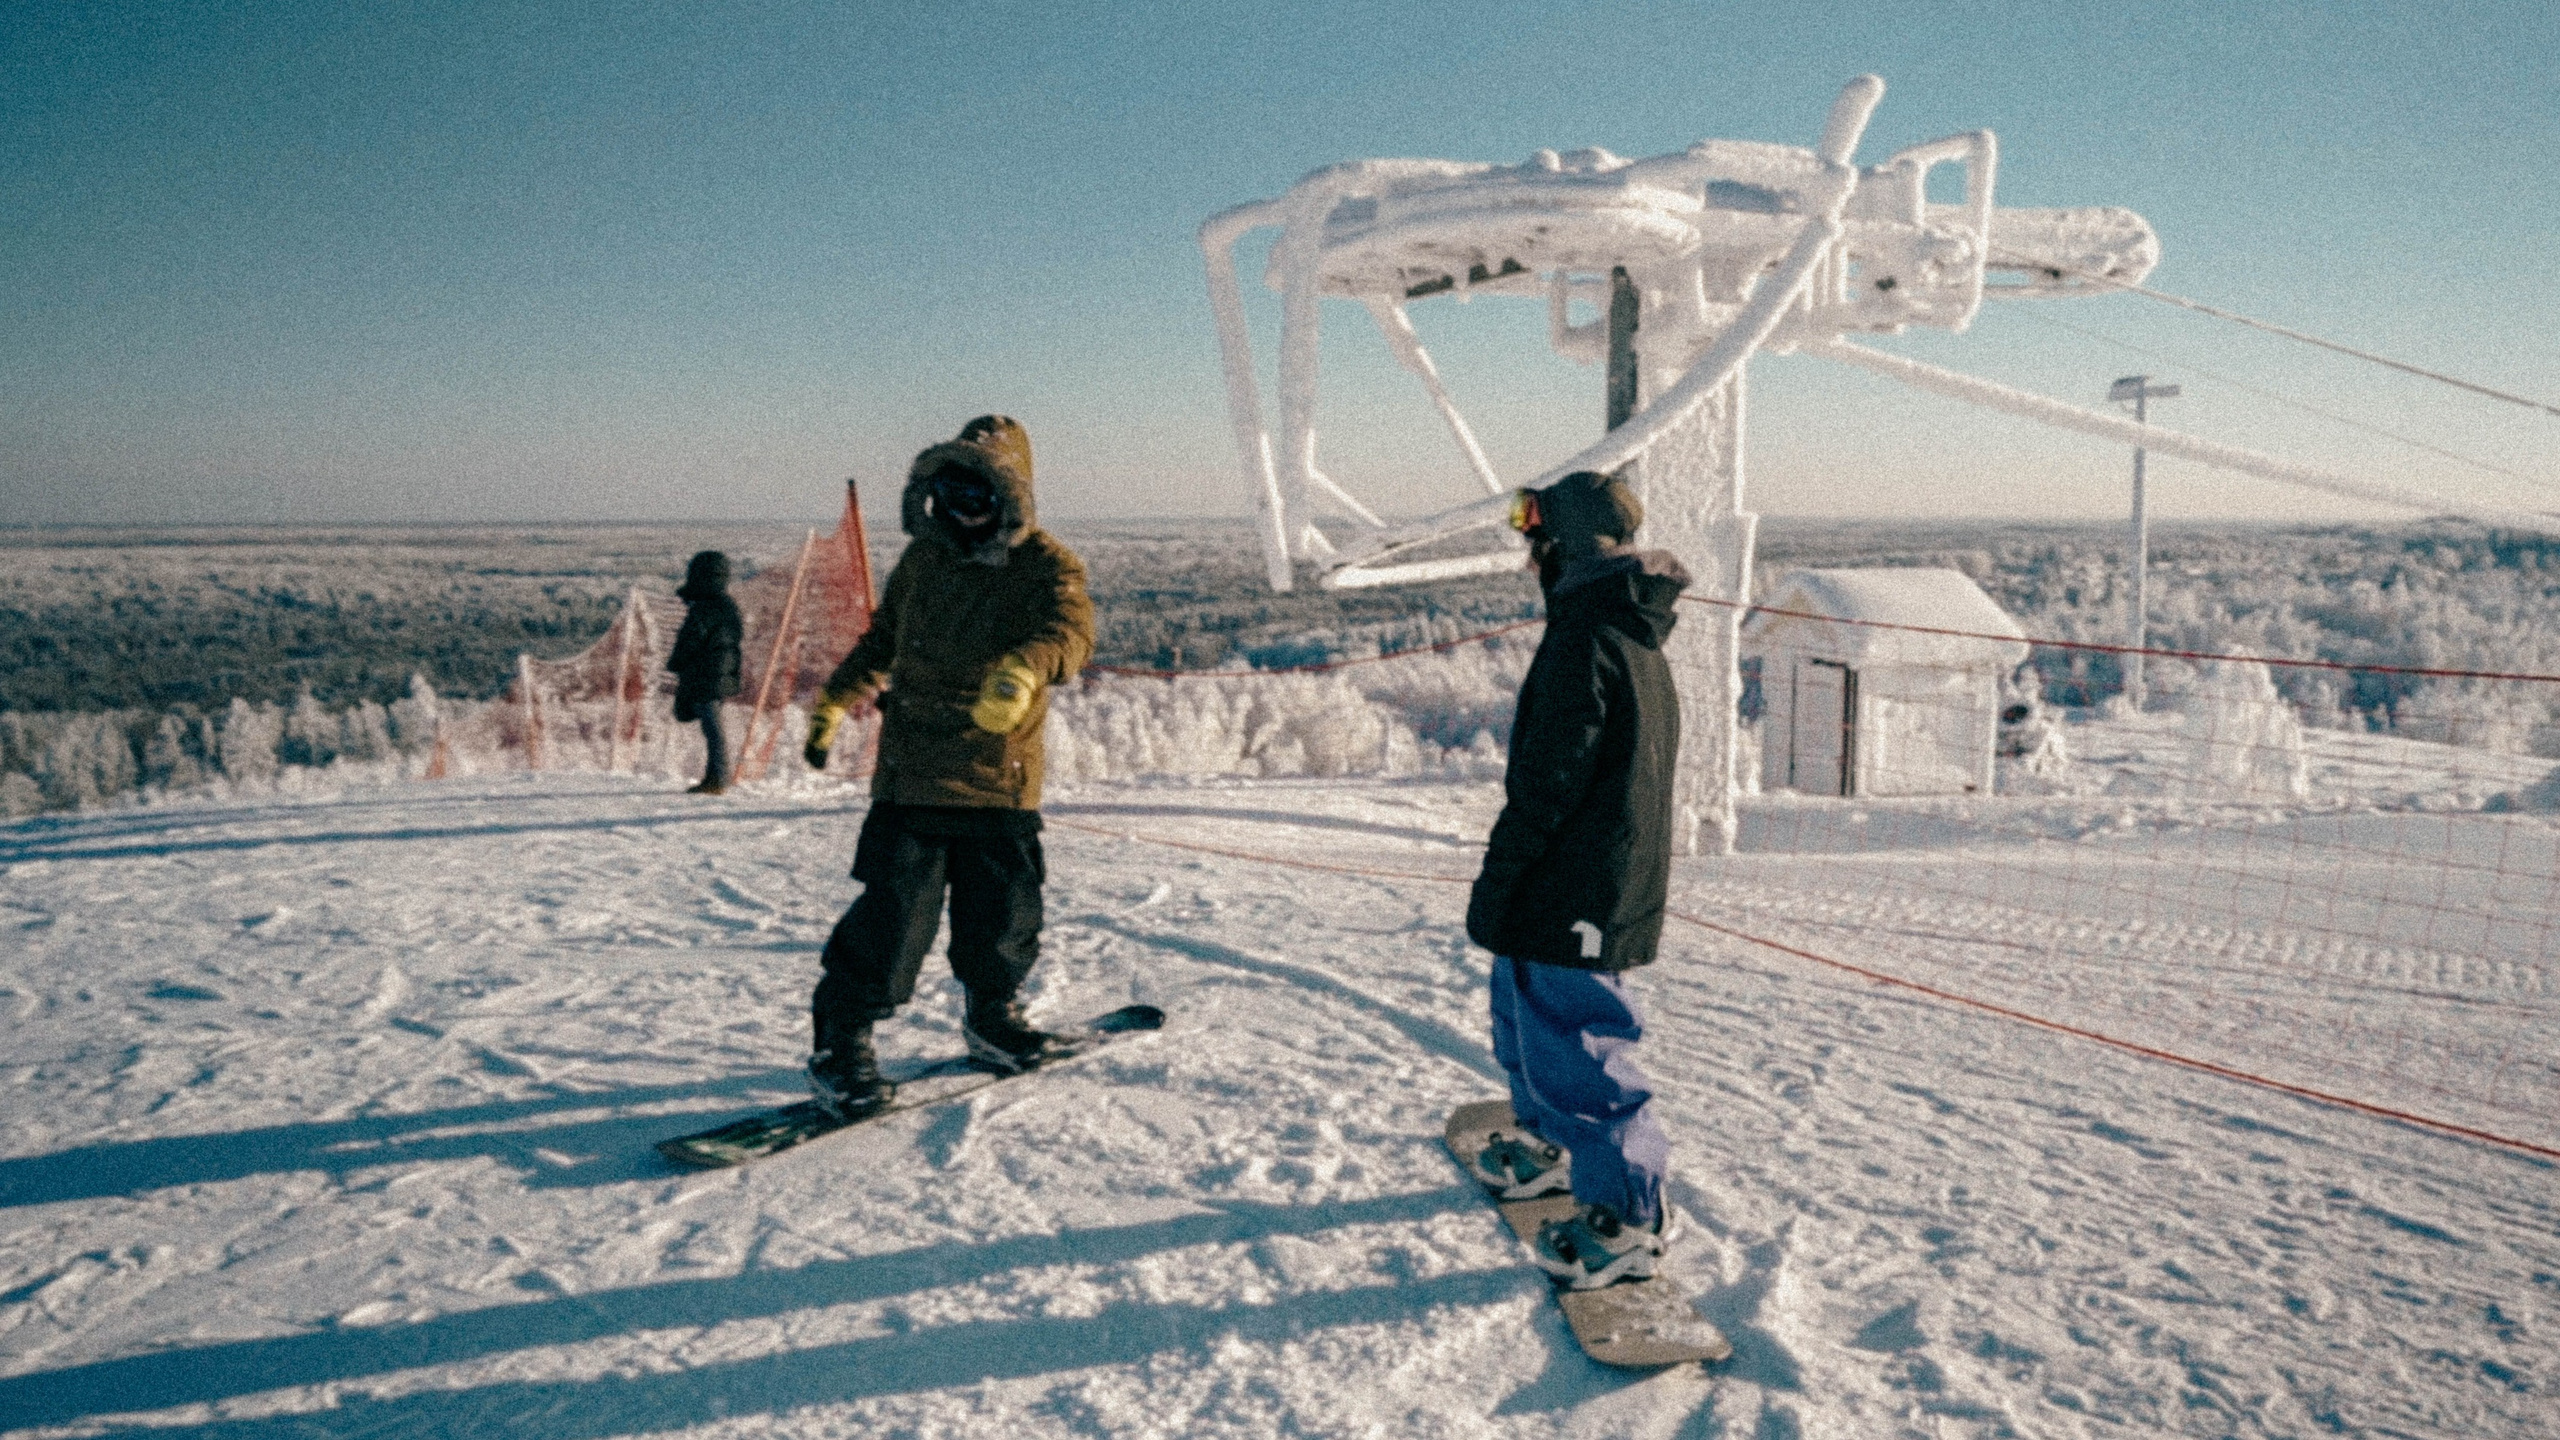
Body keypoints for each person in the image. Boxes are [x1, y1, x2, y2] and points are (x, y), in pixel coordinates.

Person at [799, 415, 1095, 1117]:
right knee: (894, 919)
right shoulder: (924, 562)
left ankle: (994, 1018)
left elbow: (1070, 631)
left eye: (980, 490)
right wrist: (836, 698)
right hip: (914, 774)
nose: (964, 505)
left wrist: (1024, 671)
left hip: (1001, 774)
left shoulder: (1046, 565)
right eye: (951, 488)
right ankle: (840, 1045)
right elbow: (882, 640)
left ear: (1011, 494)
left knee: (1002, 917)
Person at [1464, 470, 1691, 1290]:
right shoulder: (1611, 628)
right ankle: (1545, 1140)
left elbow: (1545, 786)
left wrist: (1501, 877)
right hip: (1573, 879)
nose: (1530, 562)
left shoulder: (1590, 639)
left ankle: (1629, 1216)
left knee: (1579, 1039)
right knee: (1522, 1010)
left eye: (1536, 543)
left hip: (1582, 885)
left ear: (1562, 547)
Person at [667, 550, 745, 795]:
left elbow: (689, 642)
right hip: (720, 675)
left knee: (713, 730)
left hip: (704, 676)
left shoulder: (704, 610)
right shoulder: (728, 606)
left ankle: (718, 779)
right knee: (713, 729)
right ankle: (716, 777)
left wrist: (676, 663)